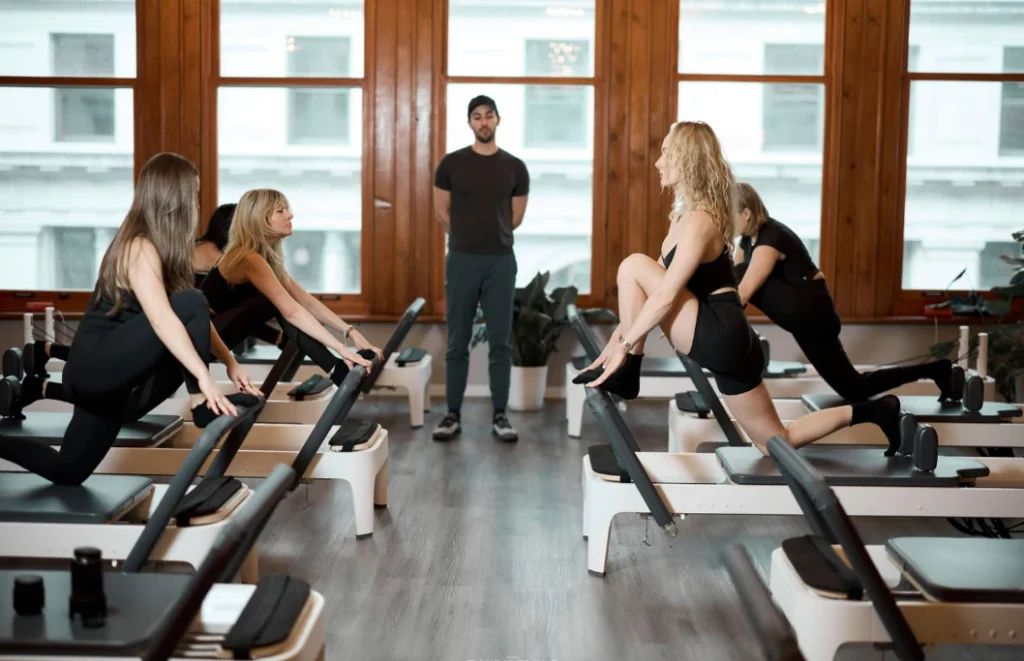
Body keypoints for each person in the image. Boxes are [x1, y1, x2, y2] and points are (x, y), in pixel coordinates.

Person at [574, 121, 910, 456]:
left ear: (687, 159)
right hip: (734, 341)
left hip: (720, 331)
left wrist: (626, 348)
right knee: (774, 442)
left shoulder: (701, 222)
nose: (659, 163)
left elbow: (663, 297)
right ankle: (878, 412)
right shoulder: (681, 219)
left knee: (632, 262)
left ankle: (631, 370)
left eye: (666, 154)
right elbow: (647, 290)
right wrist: (612, 348)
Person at [0, 152, 262, 485]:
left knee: (67, 472)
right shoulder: (137, 247)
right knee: (192, 300)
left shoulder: (167, 253)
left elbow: (193, 318)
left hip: (112, 381)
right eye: (193, 195)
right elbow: (165, 319)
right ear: (175, 200)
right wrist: (203, 383)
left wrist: (229, 362)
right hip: (95, 367)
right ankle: (200, 406)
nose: (197, 205)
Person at [731, 182, 956, 403]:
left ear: (747, 213)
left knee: (739, 274)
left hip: (813, 312)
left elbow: (743, 291)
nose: (728, 222)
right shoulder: (748, 240)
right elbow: (732, 279)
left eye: (730, 214)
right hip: (804, 322)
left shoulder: (772, 236)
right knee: (854, 388)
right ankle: (937, 370)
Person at [201, 188, 380, 386]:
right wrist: (342, 349)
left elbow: (306, 301)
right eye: (280, 211)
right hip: (205, 339)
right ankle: (336, 369)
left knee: (285, 301)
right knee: (277, 302)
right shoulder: (247, 258)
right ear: (260, 218)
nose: (290, 214)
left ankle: (336, 368)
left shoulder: (264, 257)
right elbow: (291, 311)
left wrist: (351, 332)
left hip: (220, 333)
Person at [432, 94, 529, 443]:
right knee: (457, 342)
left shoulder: (515, 167)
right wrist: (464, 236)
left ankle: (500, 416)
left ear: (498, 120)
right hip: (461, 260)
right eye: (477, 116)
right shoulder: (451, 164)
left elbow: (515, 217)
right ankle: (452, 415)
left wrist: (491, 236)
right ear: (470, 123)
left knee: (500, 343)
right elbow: (441, 211)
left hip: (501, 262)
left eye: (489, 116)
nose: (483, 122)